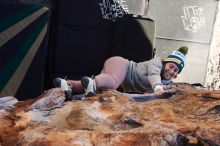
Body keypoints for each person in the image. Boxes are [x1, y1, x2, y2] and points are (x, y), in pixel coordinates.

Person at [53, 46, 188, 100]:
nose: (171, 71)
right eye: (171, 66)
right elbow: (153, 74)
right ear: (165, 63)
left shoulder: (166, 83)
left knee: (99, 91)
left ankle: (69, 85)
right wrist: (157, 87)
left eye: (175, 70)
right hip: (122, 65)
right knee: (111, 82)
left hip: (120, 76)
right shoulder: (156, 63)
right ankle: (92, 83)